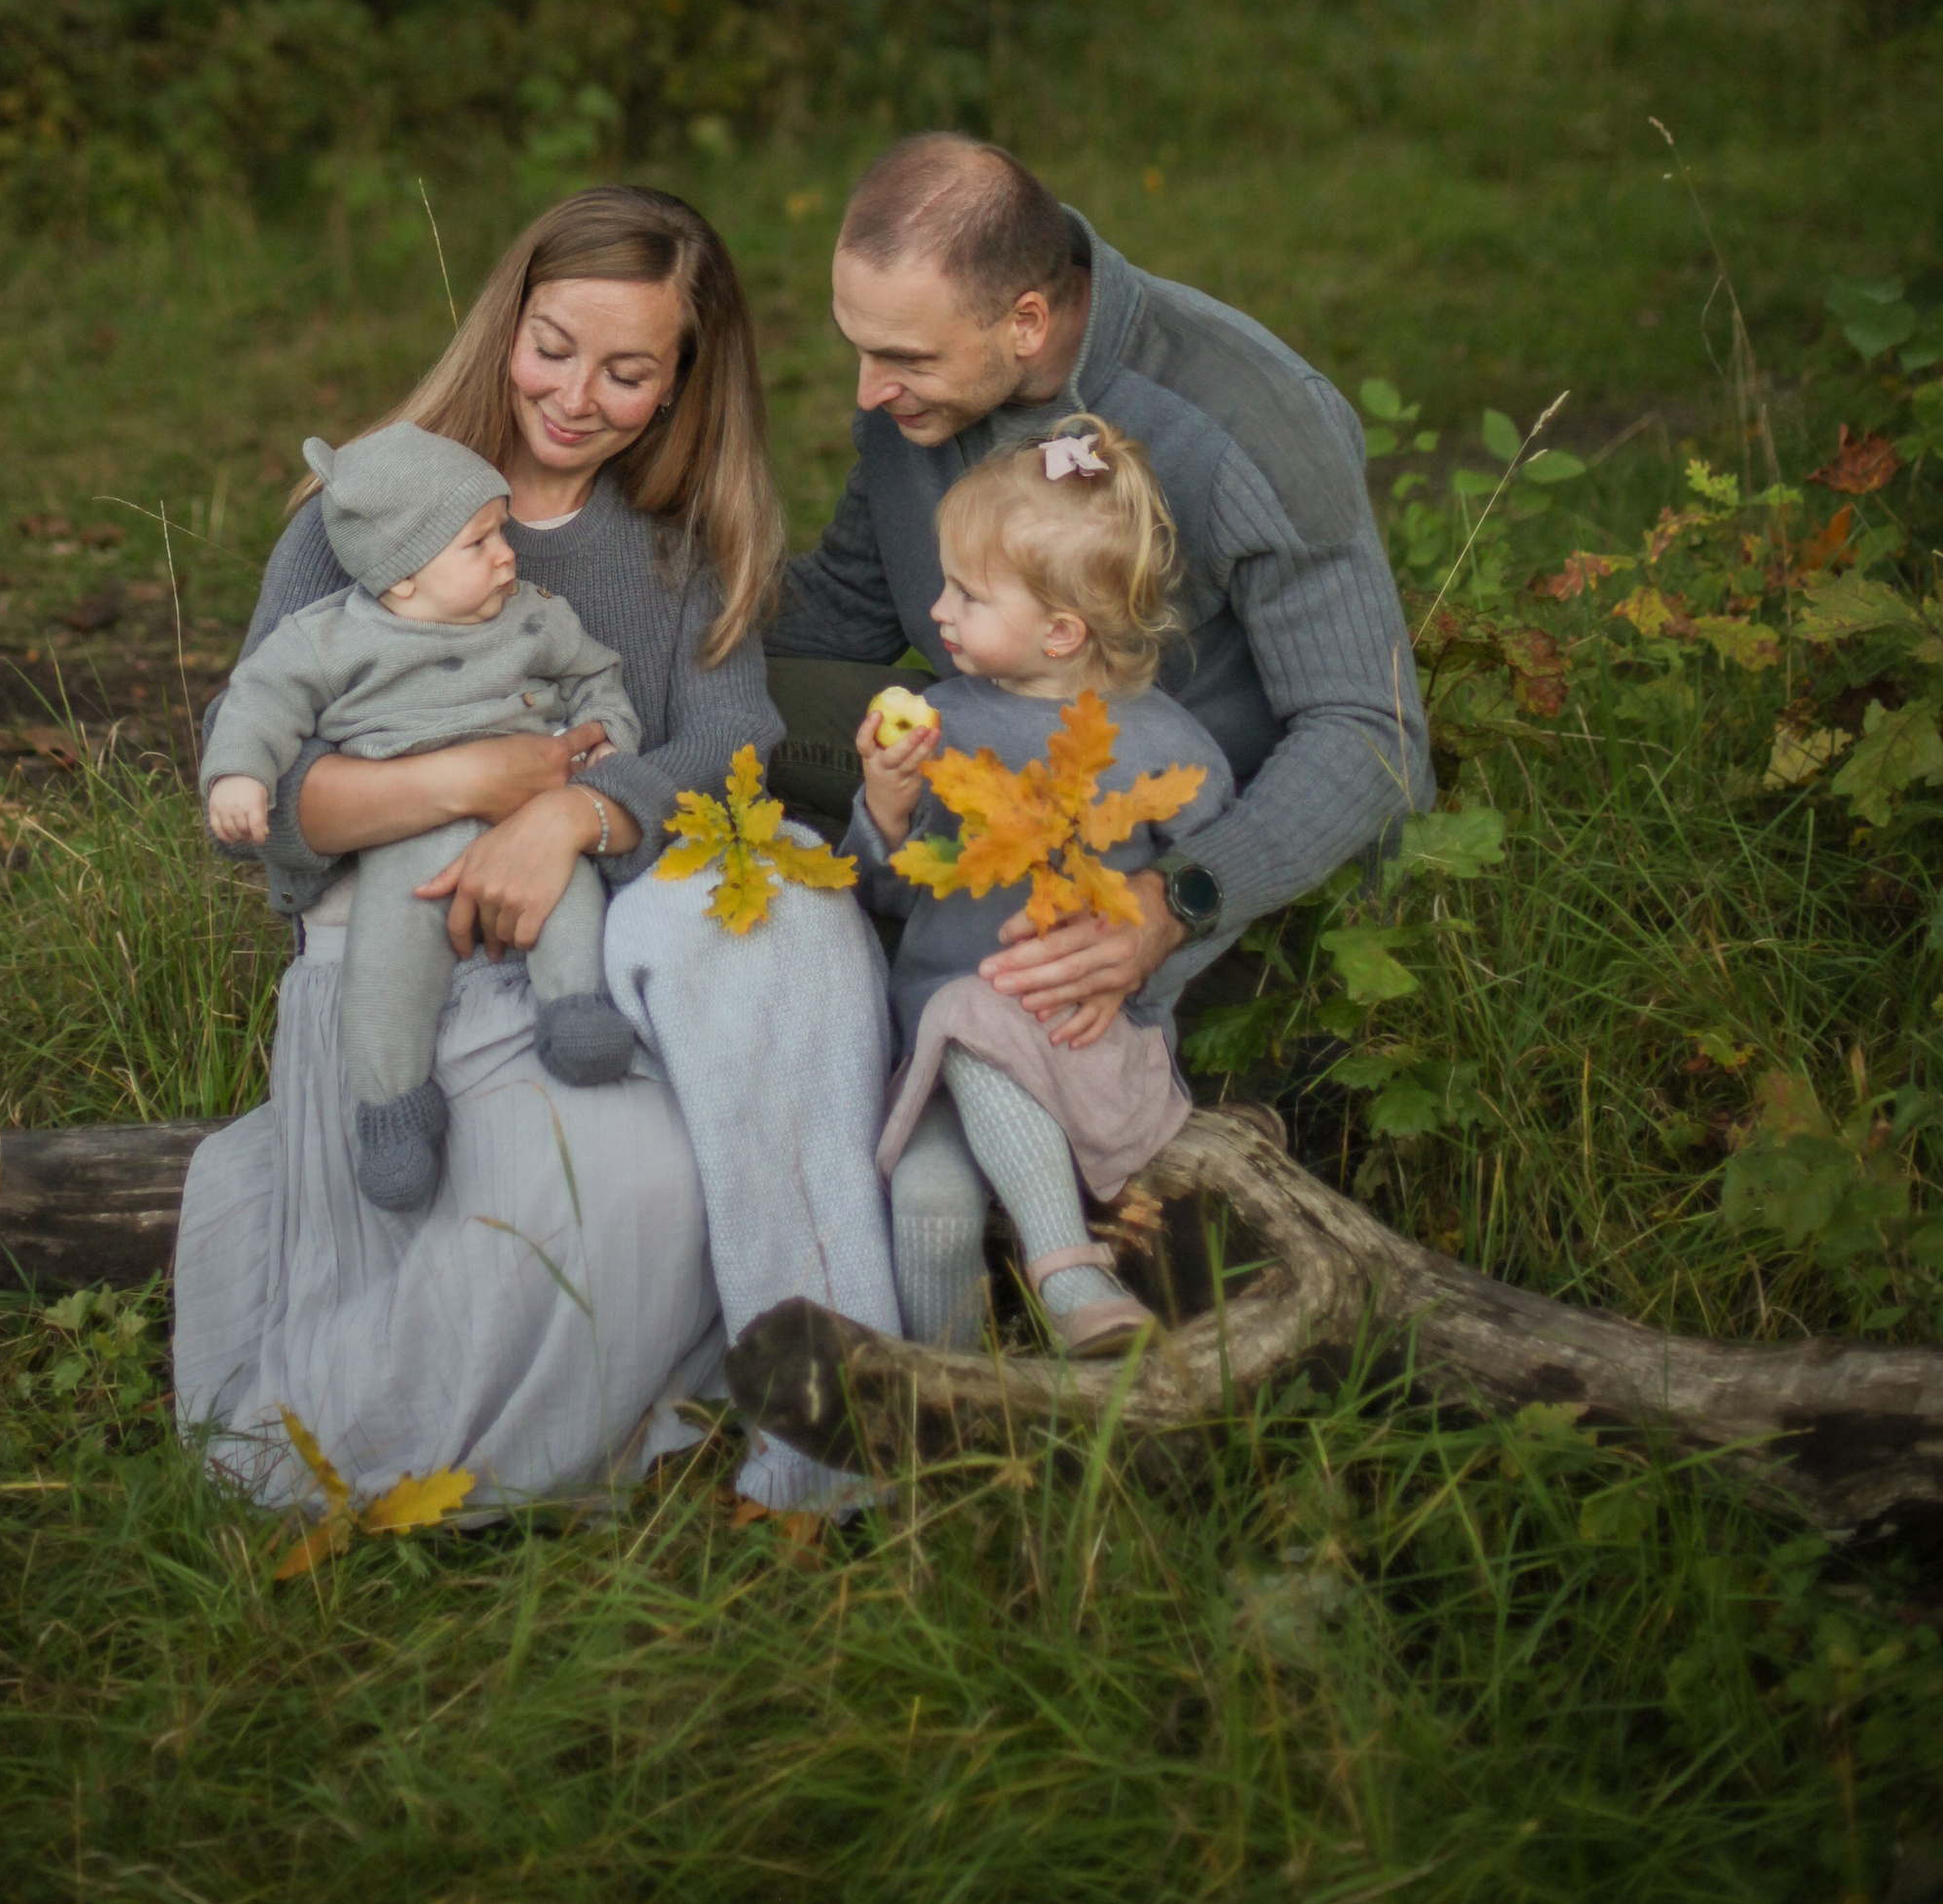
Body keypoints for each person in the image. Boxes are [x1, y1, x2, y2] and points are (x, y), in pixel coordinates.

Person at [171, 185, 899, 1521]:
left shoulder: (688, 546)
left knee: (662, 1180)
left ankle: (773, 1428)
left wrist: (574, 810)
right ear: (507, 319)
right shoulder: (377, 508)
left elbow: (728, 746)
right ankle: (447, 1448)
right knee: (566, 1201)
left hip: (584, 950)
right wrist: (467, 779)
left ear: (687, 378)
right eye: (553, 347)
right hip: (400, 951)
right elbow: (260, 779)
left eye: (630, 372)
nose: (576, 396)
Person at [767, 130, 1430, 1349]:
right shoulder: (914, 407)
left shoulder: (1244, 418)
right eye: (856, 346)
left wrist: (1180, 896)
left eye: (900, 357)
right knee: (727, 708)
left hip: (1195, 873)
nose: (866, 390)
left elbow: (1371, 735)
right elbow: (836, 617)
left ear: (1027, 321)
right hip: (984, 817)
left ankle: (1182, 1143)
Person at [848, 414, 1235, 1356]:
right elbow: (891, 896)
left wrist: (1143, 980)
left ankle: (1065, 1270)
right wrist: (887, 809)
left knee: (990, 1011)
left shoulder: (1160, 748)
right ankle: (956, 1405)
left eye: (968, 596)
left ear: (1062, 630)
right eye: (945, 584)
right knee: (930, 1203)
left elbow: (1214, 889)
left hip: (1078, 1039)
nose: (937, 612)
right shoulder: (939, 723)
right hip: (942, 1038)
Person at [203, 426, 646, 1210]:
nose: (507, 554)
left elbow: (596, 674)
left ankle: (574, 1005)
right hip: (408, 836)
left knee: (568, 891)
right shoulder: (330, 637)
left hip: (531, 813)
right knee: (388, 959)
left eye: (502, 531)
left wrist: (609, 736)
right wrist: (240, 775)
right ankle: (392, 1106)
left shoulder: (535, 617)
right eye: (479, 543)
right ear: (402, 578)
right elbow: (258, 701)